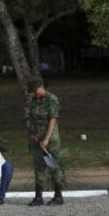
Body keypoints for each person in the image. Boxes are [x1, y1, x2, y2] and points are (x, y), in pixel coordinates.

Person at [27, 76, 64, 206]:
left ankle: (58, 196)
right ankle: (38, 197)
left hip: (50, 140)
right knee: (38, 167)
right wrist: (33, 134)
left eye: (35, 89)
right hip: (37, 139)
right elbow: (31, 118)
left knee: (53, 166)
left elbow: (53, 119)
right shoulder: (33, 100)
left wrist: (47, 139)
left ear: (42, 86)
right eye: (32, 90)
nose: (34, 92)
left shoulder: (52, 99)